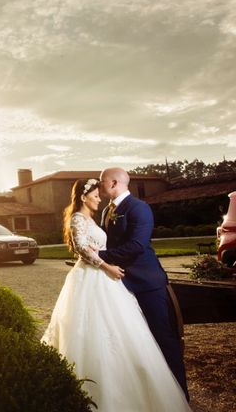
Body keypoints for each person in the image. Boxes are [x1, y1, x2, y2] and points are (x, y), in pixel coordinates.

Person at [42, 178, 191, 412]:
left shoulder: (124, 210)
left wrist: (103, 256)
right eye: (95, 194)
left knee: (140, 333)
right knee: (93, 331)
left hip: (119, 280)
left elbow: (133, 244)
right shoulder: (79, 219)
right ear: (83, 196)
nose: (99, 197)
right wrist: (107, 265)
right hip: (93, 278)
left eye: (101, 193)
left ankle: (176, 392)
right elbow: (82, 249)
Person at [98, 167, 189, 400]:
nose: (100, 185)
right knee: (134, 340)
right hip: (119, 284)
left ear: (114, 182)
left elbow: (137, 246)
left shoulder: (139, 208)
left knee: (163, 338)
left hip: (147, 283)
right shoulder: (107, 211)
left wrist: (99, 257)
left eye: (103, 181)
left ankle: (180, 396)